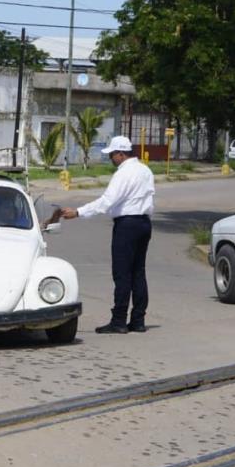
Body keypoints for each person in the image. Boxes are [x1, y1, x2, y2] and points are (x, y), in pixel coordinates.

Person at [61, 135, 154, 334]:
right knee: (138, 272)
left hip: (127, 225)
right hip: (144, 224)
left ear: (121, 154)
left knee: (122, 274)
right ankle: (138, 320)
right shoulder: (145, 170)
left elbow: (107, 201)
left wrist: (78, 212)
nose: (111, 158)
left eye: (112, 155)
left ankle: (119, 320)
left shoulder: (123, 174)